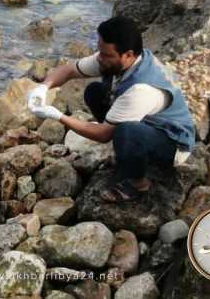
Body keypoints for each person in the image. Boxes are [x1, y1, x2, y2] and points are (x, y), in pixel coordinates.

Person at [27, 16, 195, 203]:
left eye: (106, 55)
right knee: (94, 92)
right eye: (100, 51)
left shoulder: (141, 90)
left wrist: (57, 115)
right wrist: (43, 87)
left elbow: (104, 134)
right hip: (144, 120)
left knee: (126, 131)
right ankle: (128, 151)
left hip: (172, 143)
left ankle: (138, 183)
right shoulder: (117, 58)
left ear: (128, 55)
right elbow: (68, 70)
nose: (100, 58)